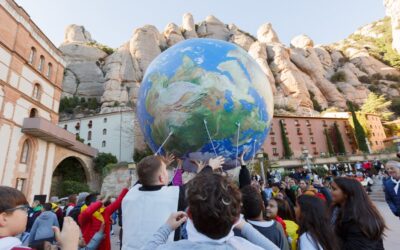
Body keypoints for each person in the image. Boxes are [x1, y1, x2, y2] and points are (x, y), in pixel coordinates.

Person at [141, 172, 279, 250]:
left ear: (189, 215)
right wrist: (244, 226)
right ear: (237, 219)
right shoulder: (243, 247)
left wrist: (166, 228)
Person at [121, 155, 224, 249]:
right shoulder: (173, 195)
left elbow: (144, 177)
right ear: (161, 178)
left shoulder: (130, 194)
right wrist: (210, 167)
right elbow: (196, 184)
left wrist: (157, 166)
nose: (167, 172)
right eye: (165, 170)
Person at [0, 186, 80, 250]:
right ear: (4, 218)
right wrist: (70, 246)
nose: (27, 213)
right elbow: (56, 225)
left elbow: (34, 229)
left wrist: (30, 242)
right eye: (23, 209)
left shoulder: (39, 217)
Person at [331, 177, 386, 249]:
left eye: (334, 189)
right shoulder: (337, 210)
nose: (330, 191)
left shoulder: (358, 219)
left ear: (347, 193)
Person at [79, 182, 129, 250]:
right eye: (99, 199)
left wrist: (126, 188)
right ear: (92, 203)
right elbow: (88, 212)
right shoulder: (84, 215)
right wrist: (102, 202)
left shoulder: (105, 211)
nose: (102, 202)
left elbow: (118, 202)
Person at [239, 185, 289, 250]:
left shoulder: (238, 231)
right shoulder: (277, 227)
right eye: (268, 205)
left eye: (271, 206)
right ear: (263, 205)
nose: (268, 208)